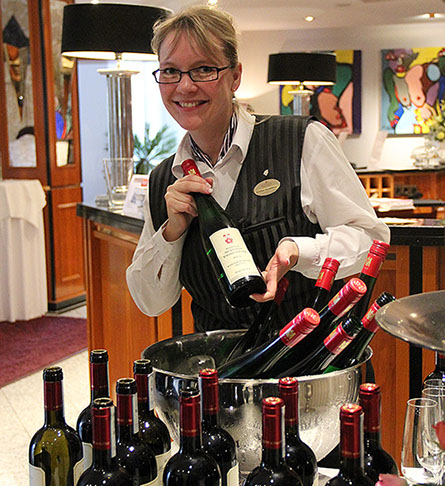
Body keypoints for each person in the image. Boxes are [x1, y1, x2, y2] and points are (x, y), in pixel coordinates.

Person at [126, 5, 390, 332]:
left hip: (308, 353)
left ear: (235, 76)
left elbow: (369, 239)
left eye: (203, 69)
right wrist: (172, 233)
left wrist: (300, 251)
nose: (185, 86)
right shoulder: (162, 179)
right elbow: (150, 302)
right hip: (218, 359)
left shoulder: (301, 139)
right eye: (170, 71)